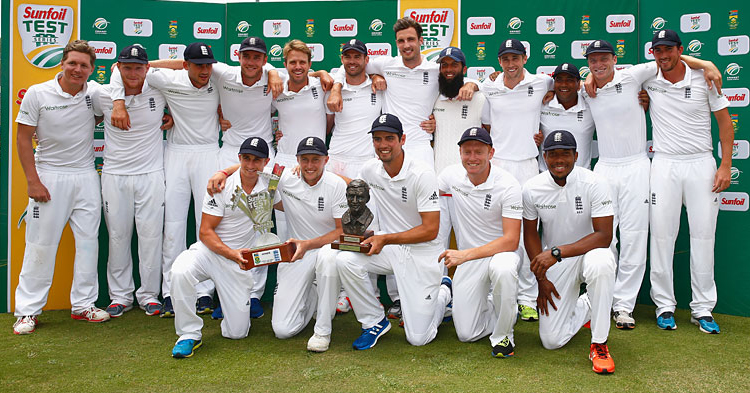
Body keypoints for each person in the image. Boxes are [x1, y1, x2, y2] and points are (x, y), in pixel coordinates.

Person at [582, 39, 722, 329]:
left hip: (637, 166)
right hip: (605, 167)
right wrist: (587, 78)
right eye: (592, 61)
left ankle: (623, 306)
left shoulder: (634, 75)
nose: (598, 65)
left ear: (614, 58)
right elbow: (558, 88)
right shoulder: (587, 89)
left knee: (634, 238)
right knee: (604, 239)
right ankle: (601, 302)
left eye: (603, 59)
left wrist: (707, 63)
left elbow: (670, 60)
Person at [110, 42, 222, 317]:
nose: (205, 70)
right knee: (172, 225)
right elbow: (116, 68)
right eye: (198, 65)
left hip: (209, 153)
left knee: (204, 224)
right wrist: (119, 102)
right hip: (176, 155)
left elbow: (265, 71)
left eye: (208, 64)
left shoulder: (218, 76)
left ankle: (204, 292)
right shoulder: (167, 78)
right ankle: (172, 291)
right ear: (185, 65)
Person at [208, 137, 348, 352]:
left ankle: (323, 330)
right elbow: (252, 166)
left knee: (328, 259)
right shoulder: (284, 177)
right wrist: (223, 173)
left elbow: (341, 231)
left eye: (315, 160)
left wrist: (308, 243)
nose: (310, 166)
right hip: (297, 254)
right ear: (297, 160)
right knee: (283, 330)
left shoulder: (336, 184)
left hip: (325, 249)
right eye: (305, 159)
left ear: (325, 160)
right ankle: (311, 294)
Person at [13, 40, 109, 335]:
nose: (77, 70)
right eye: (72, 63)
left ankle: (83, 305)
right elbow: (23, 138)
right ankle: (27, 311)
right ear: (62, 64)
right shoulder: (38, 94)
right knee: (40, 245)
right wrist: (33, 181)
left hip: (85, 175)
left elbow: (127, 105)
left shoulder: (94, 94)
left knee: (88, 243)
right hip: (49, 176)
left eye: (84, 65)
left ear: (92, 70)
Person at [336, 114, 452, 349]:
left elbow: (431, 230)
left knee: (418, 339)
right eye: (377, 139)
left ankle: (444, 293)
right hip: (390, 250)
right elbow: (353, 187)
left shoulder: (422, 174)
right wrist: (314, 171)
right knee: (345, 259)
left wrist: (385, 237)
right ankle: (374, 321)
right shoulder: (370, 169)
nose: (383, 145)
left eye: (389, 138)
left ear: (402, 140)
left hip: (423, 254)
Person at [644, 29, 733, 333]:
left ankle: (703, 308)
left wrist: (725, 165)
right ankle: (664, 305)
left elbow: (725, 124)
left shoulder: (704, 78)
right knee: (661, 237)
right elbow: (606, 74)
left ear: (680, 50)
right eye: (658, 51)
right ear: (652, 53)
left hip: (701, 163)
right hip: (665, 163)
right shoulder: (649, 78)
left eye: (669, 50)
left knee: (704, 236)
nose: (663, 56)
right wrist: (590, 79)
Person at [170, 137, 275, 358]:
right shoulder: (220, 185)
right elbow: (205, 232)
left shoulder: (270, 184)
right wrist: (224, 173)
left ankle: (232, 310)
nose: (250, 165)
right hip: (209, 253)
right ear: (239, 158)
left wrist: (224, 170)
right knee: (179, 272)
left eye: (257, 160)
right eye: (246, 158)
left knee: (237, 333)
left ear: (265, 162)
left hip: (236, 265)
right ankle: (189, 334)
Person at [327, 17, 477, 169]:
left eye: (411, 39)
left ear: (421, 40)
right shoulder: (387, 65)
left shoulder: (434, 69)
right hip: (389, 147)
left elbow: (464, 80)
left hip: (421, 147)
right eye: (401, 41)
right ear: (396, 43)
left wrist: (472, 84)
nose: (406, 45)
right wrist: (336, 88)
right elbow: (351, 66)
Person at [523, 130, 616, 374]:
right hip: (556, 262)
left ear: (576, 155)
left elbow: (604, 236)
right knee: (551, 341)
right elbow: (531, 234)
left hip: (589, 253)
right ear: (544, 157)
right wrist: (541, 279)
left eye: (565, 154)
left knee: (602, 263)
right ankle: (588, 303)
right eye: (552, 154)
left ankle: (599, 344)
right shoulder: (532, 188)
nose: (559, 160)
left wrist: (557, 251)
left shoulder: (595, 183)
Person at [93, 44, 171, 317]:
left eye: (139, 67)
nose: (133, 73)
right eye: (127, 67)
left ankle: (149, 295)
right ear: (118, 67)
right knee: (117, 236)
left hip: (151, 175)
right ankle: (120, 296)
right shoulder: (102, 94)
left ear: (148, 69)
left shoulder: (159, 91)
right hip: (115, 176)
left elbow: (182, 67)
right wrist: (117, 100)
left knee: (151, 237)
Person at [480, 38, 554, 322]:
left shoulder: (540, 83)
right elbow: (485, 124)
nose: (511, 64)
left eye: (516, 58)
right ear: (499, 62)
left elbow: (569, 86)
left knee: (526, 233)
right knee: (494, 230)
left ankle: (526, 297)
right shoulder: (490, 87)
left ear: (525, 58)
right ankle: (492, 295)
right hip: (497, 165)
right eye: (505, 59)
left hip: (527, 165)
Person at [437, 127, 522, 358]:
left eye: (479, 152)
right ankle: (502, 310)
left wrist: (464, 255)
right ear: (460, 153)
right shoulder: (450, 176)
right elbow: (426, 194)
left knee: (503, 269)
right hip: (471, 259)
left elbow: (511, 240)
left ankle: (504, 335)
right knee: (466, 334)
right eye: (467, 152)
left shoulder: (509, 184)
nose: (472, 158)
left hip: (502, 254)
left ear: (491, 153)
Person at [323, 38, 384, 315]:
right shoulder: (333, 86)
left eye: (357, 56)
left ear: (365, 58)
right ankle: (342, 290)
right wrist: (334, 84)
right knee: (342, 225)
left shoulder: (379, 86)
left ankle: (370, 292)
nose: (352, 61)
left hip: (367, 163)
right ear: (342, 59)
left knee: (368, 227)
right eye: (347, 56)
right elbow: (325, 124)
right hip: (337, 160)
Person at [431, 47, 488, 175]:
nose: (449, 69)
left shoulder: (479, 97)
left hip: (469, 177)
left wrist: (473, 84)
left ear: (464, 69)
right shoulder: (433, 97)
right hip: (438, 175)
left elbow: (493, 132)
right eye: (444, 65)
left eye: (454, 65)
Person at [538, 63, 595, 171]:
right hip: (546, 177)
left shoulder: (590, 104)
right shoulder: (543, 103)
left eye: (569, 80)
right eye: (559, 80)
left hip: (581, 177)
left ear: (578, 84)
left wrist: (590, 76)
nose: (564, 84)